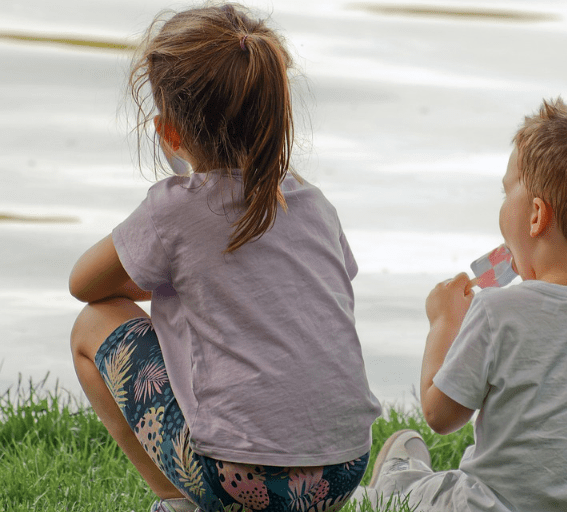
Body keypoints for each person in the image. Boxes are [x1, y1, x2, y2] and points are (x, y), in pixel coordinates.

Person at [68, 4, 381, 511]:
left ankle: (178, 501)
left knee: (91, 325)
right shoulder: (315, 205)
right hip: (341, 472)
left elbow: (84, 284)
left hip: (234, 480)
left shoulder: (174, 210)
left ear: (170, 132)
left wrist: (170, 277)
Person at [352, 98, 567, 511]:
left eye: (506, 191)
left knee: (433, 491)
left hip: (491, 506)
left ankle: (398, 480)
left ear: (536, 215)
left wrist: (445, 323)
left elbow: (439, 416)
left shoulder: (497, 312)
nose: (502, 203)